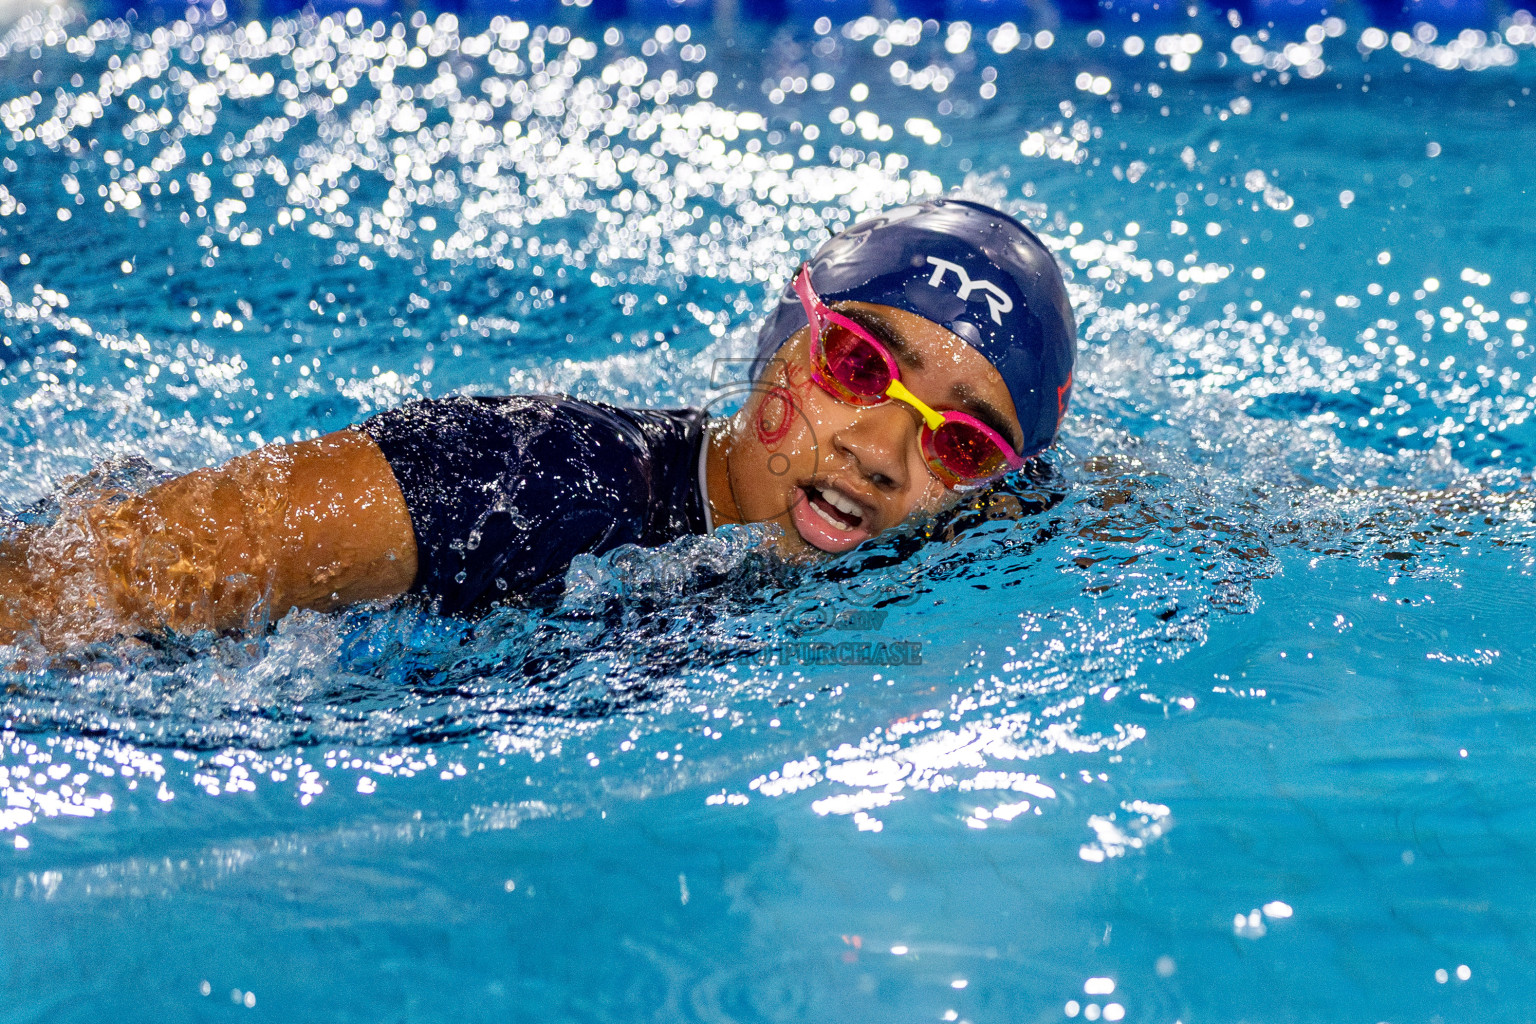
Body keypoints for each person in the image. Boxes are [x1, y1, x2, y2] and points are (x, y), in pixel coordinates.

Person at [0, 198, 1076, 648]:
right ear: (780, 337)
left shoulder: (952, 532)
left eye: (958, 439)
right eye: (858, 362)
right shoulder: (523, 478)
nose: (881, 453)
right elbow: (93, 576)